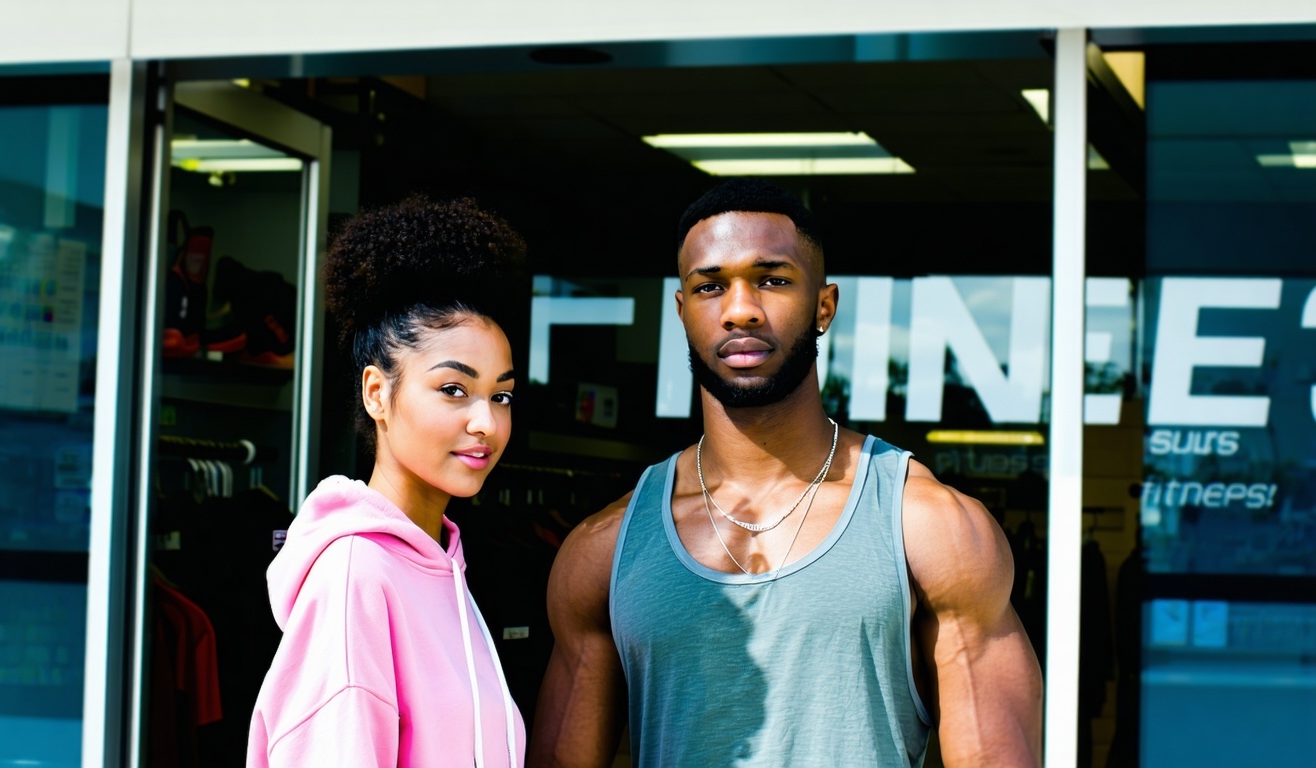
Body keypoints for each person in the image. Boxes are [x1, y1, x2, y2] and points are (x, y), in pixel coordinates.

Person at [528, 179, 1043, 767]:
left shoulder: (930, 527)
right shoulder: (606, 549)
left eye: (772, 280)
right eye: (710, 286)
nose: (741, 308)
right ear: (682, 310)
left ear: (823, 306)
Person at [248, 194, 528, 767]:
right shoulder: (357, 576)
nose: (487, 422)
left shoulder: (444, 566)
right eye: (454, 389)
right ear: (377, 392)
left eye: (500, 395)